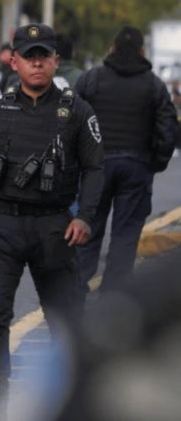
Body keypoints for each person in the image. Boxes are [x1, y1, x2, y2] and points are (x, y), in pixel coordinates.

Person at [0, 23, 104, 420]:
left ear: (55, 62)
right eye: (28, 56)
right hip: (1, 225)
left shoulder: (77, 111)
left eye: (43, 56)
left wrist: (84, 218)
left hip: (53, 227)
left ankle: (71, 400)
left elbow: (95, 169)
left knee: (65, 317)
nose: (36, 63)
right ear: (13, 61)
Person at [74, 26, 178, 300]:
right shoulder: (154, 85)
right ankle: (113, 293)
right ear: (143, 52)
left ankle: (76, 286)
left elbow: (70, 120)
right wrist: (155, 162)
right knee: (125, 233)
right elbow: (167, 130)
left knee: (88, 226)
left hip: (96, 166)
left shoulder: (91, 79)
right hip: (136, 166)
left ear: (112, 49)